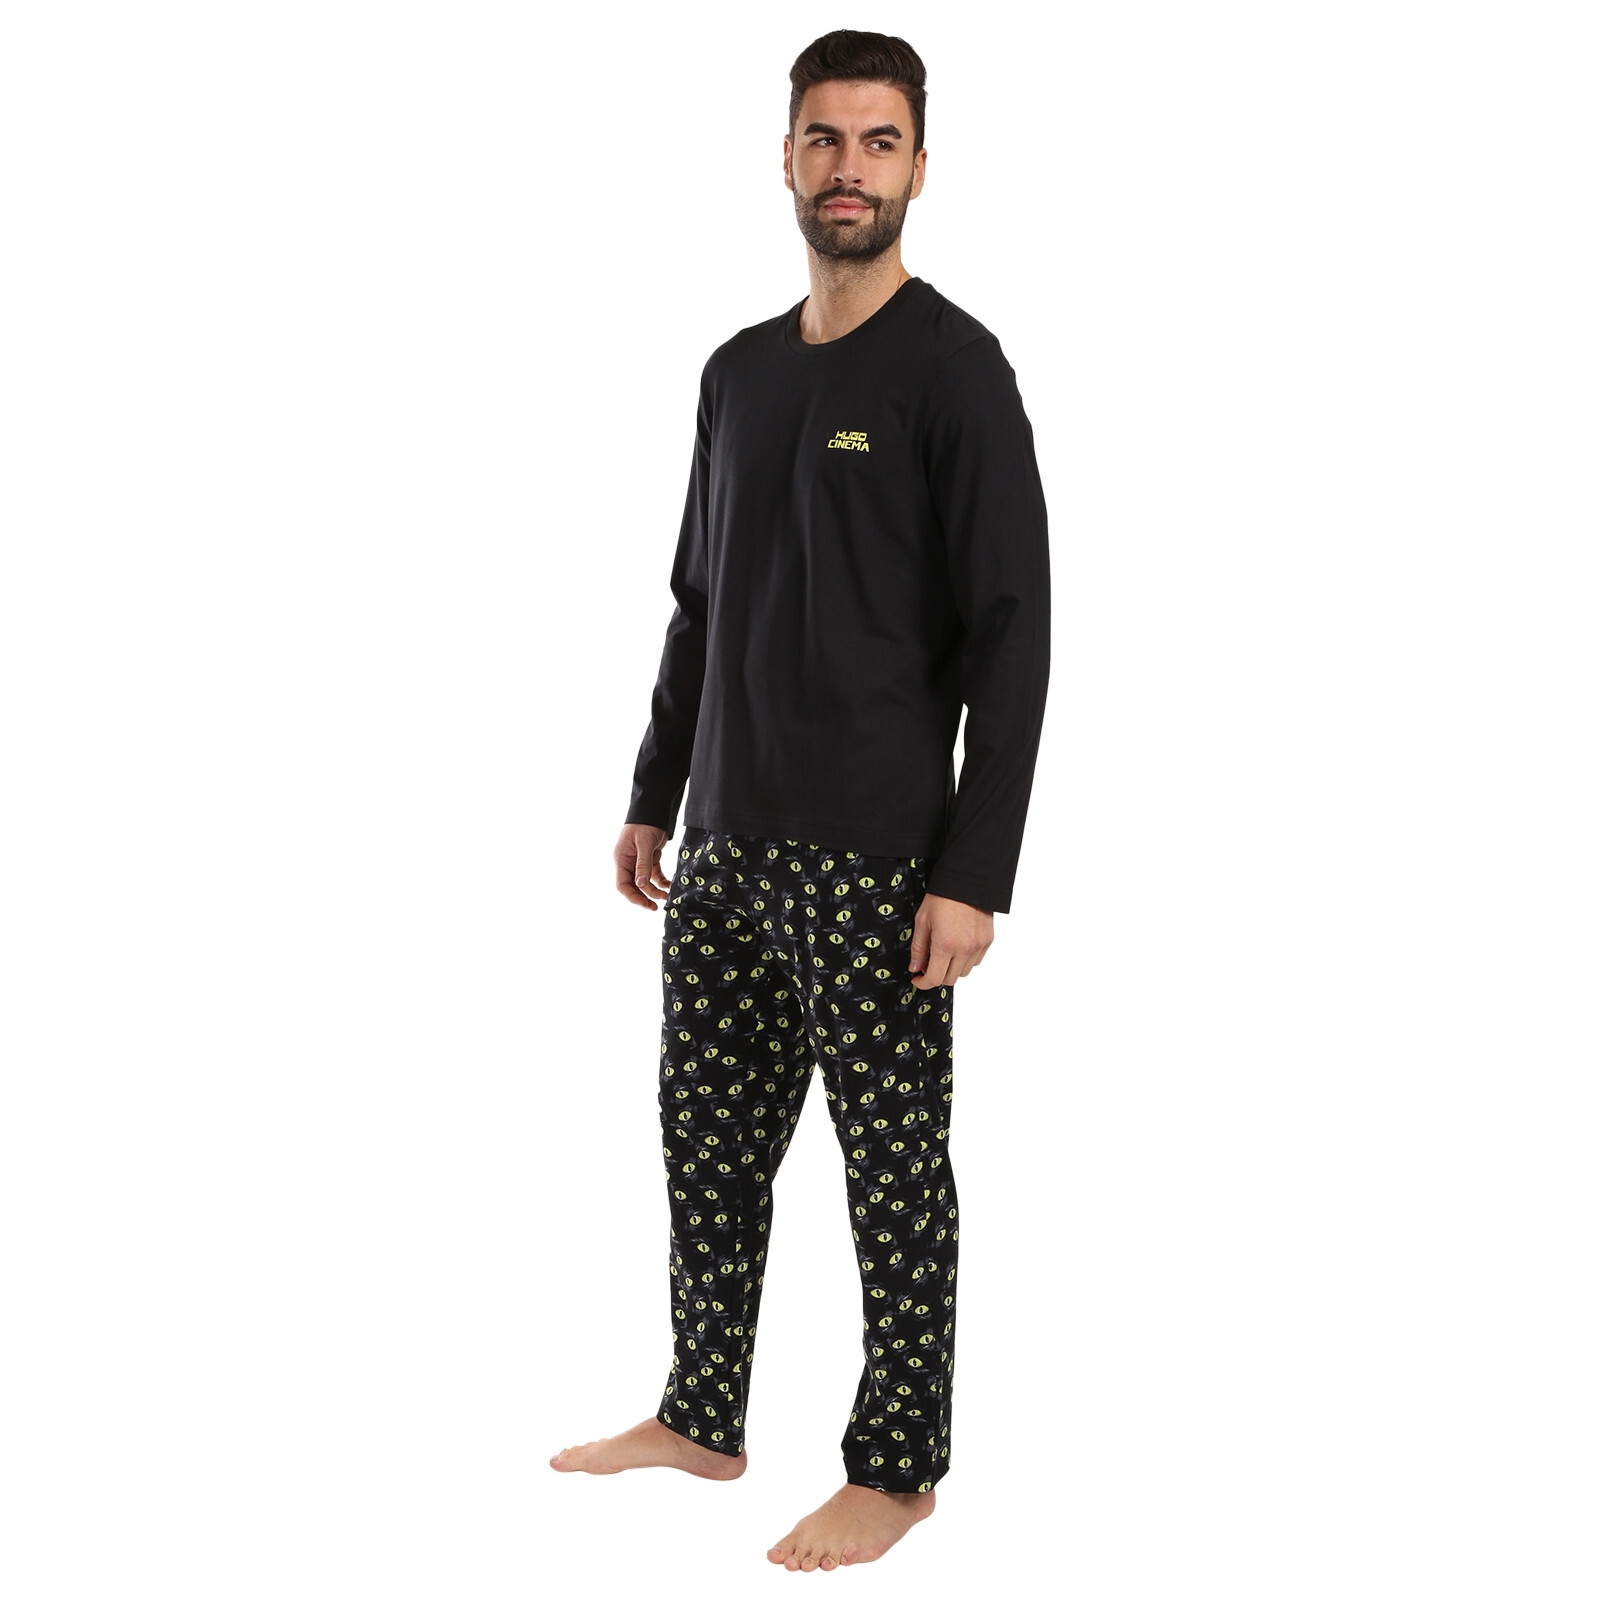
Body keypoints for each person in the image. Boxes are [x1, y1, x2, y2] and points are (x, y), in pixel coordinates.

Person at [549, 28, 1051, 1573]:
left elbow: (1015, 630)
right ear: (784, 157)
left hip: (879, 861)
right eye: (824, 138)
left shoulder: (955, 371)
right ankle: (702, 1416)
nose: (848, 168)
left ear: (920, 167)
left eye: (878, 141)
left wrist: (974, 869)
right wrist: (655, 791)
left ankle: (896, 1471)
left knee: (892, 1176)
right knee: (705, 1146)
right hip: (724, 844)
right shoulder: (739, 374)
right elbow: (702, 600)